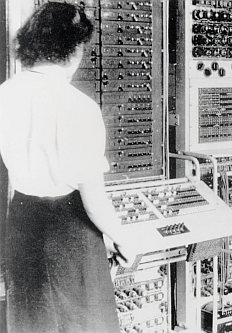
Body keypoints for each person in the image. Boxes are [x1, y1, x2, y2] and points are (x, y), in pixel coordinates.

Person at [0, 3, 138, 333]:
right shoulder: (79, 107)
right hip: (71, 236)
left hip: (22, 224)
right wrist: (122, 239)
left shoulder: (4, 95)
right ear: (74, 49)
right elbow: (94, 202)